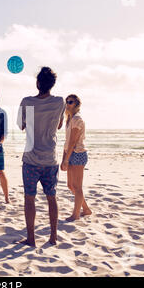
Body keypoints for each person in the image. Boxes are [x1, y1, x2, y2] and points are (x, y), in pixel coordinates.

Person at [17, 67, 65, 246]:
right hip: (50, 158)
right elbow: (59, 125)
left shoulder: (27, 102)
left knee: (30, 198)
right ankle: (53, 237)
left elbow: (22, 126)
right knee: (51, 197)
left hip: (31, 158)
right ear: (52, 84)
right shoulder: (60, 102)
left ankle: (31, 239)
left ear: (37, 83)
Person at [61, 94, 92, 222]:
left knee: (77, 186)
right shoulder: (69, 119)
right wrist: (64, 157)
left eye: (70, 102)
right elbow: (67, 142)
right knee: (70, 185)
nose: (67, 104)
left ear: (76, 104)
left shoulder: (77, 119)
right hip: (70, 153)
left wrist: (66, 160)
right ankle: (86, 209)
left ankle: (76, 214)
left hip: (78, 154)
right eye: (66, 102)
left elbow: (73, 142)